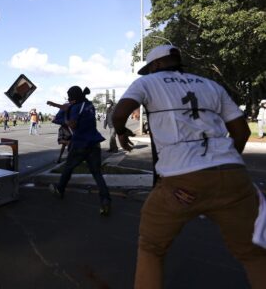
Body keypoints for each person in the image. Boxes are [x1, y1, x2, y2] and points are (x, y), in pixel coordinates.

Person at [111, 45, 266, 288]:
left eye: (150, 68)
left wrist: (120, 132)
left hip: (181, 180)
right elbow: (242, 131)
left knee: (152, 247)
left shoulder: (147, 83)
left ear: (157, 65)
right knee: (254, 253)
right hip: (233, 178)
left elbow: (119, 114)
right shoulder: (211, 85)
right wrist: (222, 164)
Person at [48, 86, 111, 215]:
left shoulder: (73, 108)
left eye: (69, 97)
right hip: (94, 143)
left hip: (80, 144)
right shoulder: (89, 105)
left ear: (73, 98)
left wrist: (63, 112)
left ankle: (60, 189)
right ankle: (105, 200)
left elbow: (62, 121)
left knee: (68, 168)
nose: (69, 99)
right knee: (97, 174)